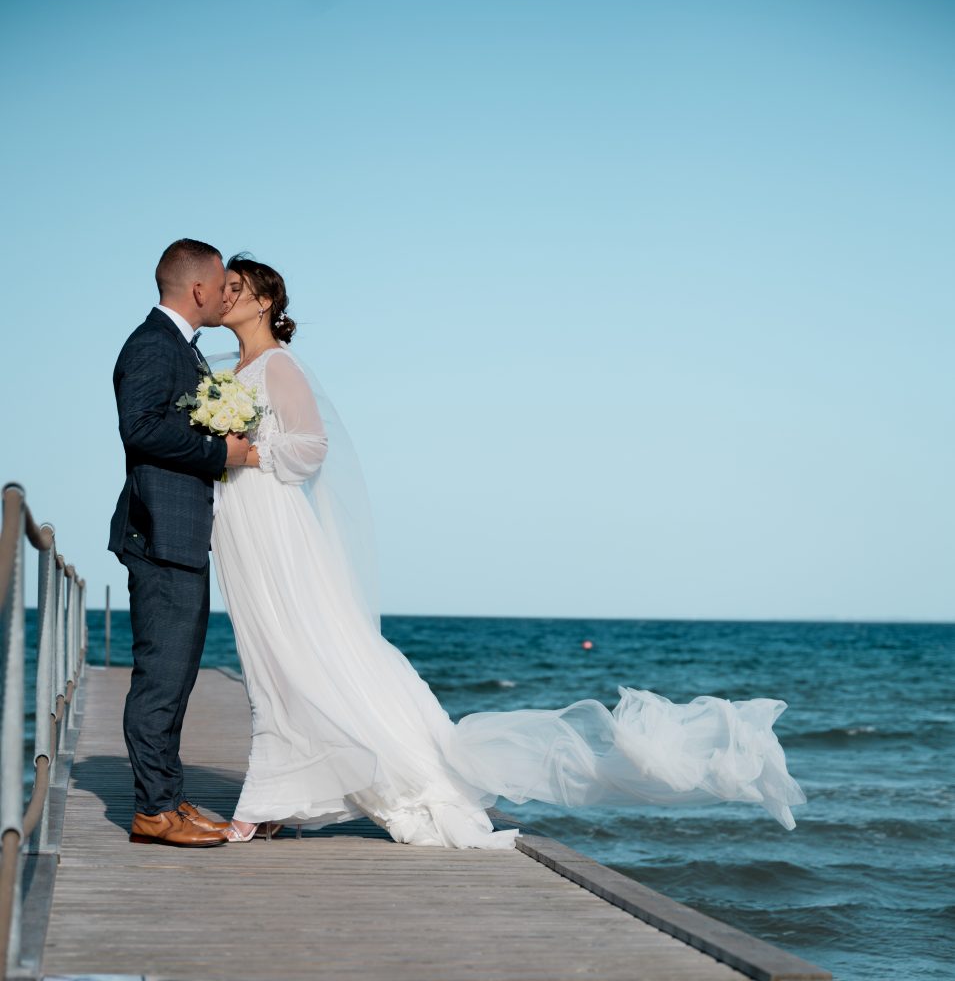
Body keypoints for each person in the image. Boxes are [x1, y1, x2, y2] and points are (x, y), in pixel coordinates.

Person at [212, 255, 806, 848]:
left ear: (265, 300)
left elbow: (309, 449)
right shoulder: (228, 371)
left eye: (236, 288)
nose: (225, 295)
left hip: (274, 525)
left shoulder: (277, 366)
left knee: (297, 655)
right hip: (242, 524)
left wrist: (244, 454)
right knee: (275, 659)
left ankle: (269, 799)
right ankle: (280, 797)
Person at [110, 239, 252, 847]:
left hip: (181, 534)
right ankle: (152, 811)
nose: (226, 295)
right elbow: (139, 429)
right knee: (161, 678)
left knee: (179, 676)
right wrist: (220, 451)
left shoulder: (180, 349)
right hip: (160, 533)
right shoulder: (151, 345)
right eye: (222, 285)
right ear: (198, 290)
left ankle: (168, 795)